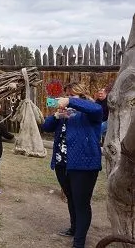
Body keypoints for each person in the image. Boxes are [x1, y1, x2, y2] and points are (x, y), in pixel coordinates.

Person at [42, 82, 102, 248]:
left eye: (71, 95)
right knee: (71, 198)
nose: (67, 98)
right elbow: (46, 127)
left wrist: (69, 102)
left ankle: (79, 243)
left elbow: (97, 111)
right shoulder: (65, 113)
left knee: (81, 203)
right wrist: (56, 116)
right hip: (62, 164)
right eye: (66, 95)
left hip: (84, 165)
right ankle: (74, 229)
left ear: (81, 96)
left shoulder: (91, 110)